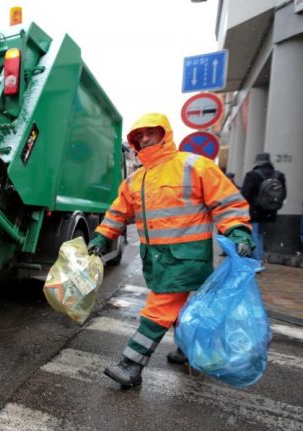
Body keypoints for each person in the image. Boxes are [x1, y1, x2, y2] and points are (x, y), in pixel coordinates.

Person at [88, 113, 253, 389]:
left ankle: (131, 365)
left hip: (187, 256)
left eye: (149, 132)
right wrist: (101, 238)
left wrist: (238, 232)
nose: (144, 138)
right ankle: (188, 351)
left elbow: (226, 203)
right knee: (183, 307)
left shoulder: (193, 165)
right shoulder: (135, 180)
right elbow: (117, 213)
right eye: (138, 136)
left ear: (164, 133)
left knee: (157, 310)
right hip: (157, 258)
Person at [240, 152, 287, 261]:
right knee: (261, 234)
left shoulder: (252, 175)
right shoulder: (279, 175)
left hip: (254, 211)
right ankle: (259, 258)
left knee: (255, 234)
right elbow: (283, 195)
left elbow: (245, 194)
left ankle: (257, 260)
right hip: (270, 211)